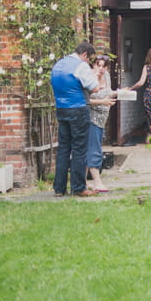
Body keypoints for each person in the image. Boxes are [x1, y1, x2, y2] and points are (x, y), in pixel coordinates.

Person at [51, 42, 100, 197]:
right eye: (89, 59)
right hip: (78, 108)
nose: (88, 62)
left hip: (61, 108)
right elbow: (95, 87)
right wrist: (95, 75)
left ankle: (59, 188)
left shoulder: (59, 64)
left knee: (64, 148)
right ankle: (79, 187)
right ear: (85, 54)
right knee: (79, 148)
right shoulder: (81, 66)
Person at [87, 55, 117, 193]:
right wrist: (102, 102)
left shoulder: (107, 77)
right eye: (98, 65)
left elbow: (109, 93)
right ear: (93, 65)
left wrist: (121, 92)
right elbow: (86, 100)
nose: (100, 69)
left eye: (103, 66)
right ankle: (97, 182)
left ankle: (81, 182)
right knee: (94, 150)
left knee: (93, 148)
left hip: (102, 119)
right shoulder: (89, 78)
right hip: (91, 118)